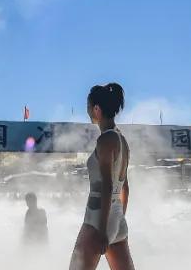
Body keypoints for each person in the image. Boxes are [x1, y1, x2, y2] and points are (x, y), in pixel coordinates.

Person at [69, 83, 136, 270]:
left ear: (97, 109)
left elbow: (107, 184)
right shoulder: (122, 140)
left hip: (97, 219)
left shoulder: (105, 140)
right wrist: (118, 220)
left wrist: (104, 229)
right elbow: (125, 187)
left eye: (88, 106)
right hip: (117, 219)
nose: (87, 110)